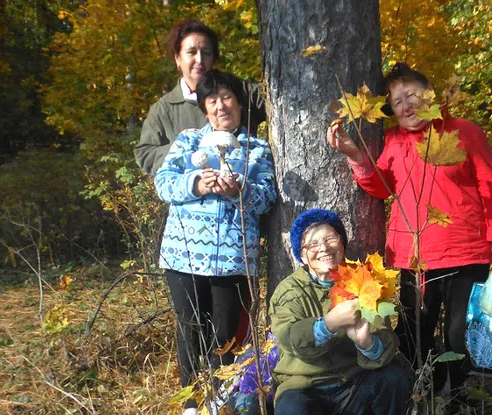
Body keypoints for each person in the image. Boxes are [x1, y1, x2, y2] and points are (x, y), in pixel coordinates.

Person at [326, 63, 492, 394]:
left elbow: (491, 188)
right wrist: (354, 153)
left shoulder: (465, 131)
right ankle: (418, 392)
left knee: (460, 335)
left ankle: (454, 394)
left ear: (428, 94)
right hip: (414, 257)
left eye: (411, 94)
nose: (406, 105)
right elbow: (381, 186)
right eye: (397, 102)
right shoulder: (394, 141)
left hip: (466, 251)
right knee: (415, 331)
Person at [155, 69, 276, 414]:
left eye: (227, 98)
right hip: (185, 255)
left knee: (225, 332)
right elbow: (164, 183)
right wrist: (196, 183)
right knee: (190, 327)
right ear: (205, 108)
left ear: (239, 102)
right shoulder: (190, 140)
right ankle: (191, 402)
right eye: (212, 100)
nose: (221, 106)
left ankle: (220, 397)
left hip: (233, 259)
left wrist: (243, 190)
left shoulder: (257, 147)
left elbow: (267, 199)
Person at [270, 209, 411, 414]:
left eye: (330, 239)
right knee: (292, 408)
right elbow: (289, 338)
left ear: (342, 245)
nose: (324, 248)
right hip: (305, 386)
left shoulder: (364, 281)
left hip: (355, 381)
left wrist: (366, 343)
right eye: (313, 244)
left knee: (392, 378)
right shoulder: (289, 291)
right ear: (302, 255)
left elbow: (385, 336)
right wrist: (329, 324)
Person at [136, 18, 266, 175]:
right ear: (177, 58)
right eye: (191, 52)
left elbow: (277, 98)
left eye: (206, 53)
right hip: (193, 194)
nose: (199, 60)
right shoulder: (164, 109)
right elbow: (145, 154)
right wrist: (186, 151)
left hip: (242, 191)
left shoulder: (240, 91)